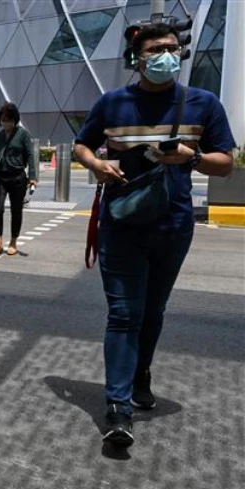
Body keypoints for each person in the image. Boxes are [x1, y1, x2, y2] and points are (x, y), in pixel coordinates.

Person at [74, 23, 235, 448]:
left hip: (173, 223)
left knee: (153, 311)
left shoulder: (203, 103)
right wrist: (96, 164)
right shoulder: (112, 103)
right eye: (156, 49)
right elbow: (81, 144)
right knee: (125, 314)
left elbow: (226, 164)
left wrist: (192, 155)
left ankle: (141, 371)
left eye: (173, 48)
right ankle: (118, 408)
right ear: (137, 58)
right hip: (122, 222)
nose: (167, 55)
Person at [0, 102, 37, 255]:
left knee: (16, 210)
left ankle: (13, 242)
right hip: (0, 177)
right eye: (4, 119)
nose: (7, 123)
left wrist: (32, 177)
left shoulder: (23, 134)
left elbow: (30, 155)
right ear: (0, 120)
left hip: (18, 177)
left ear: (15, 120)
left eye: (10, 119)